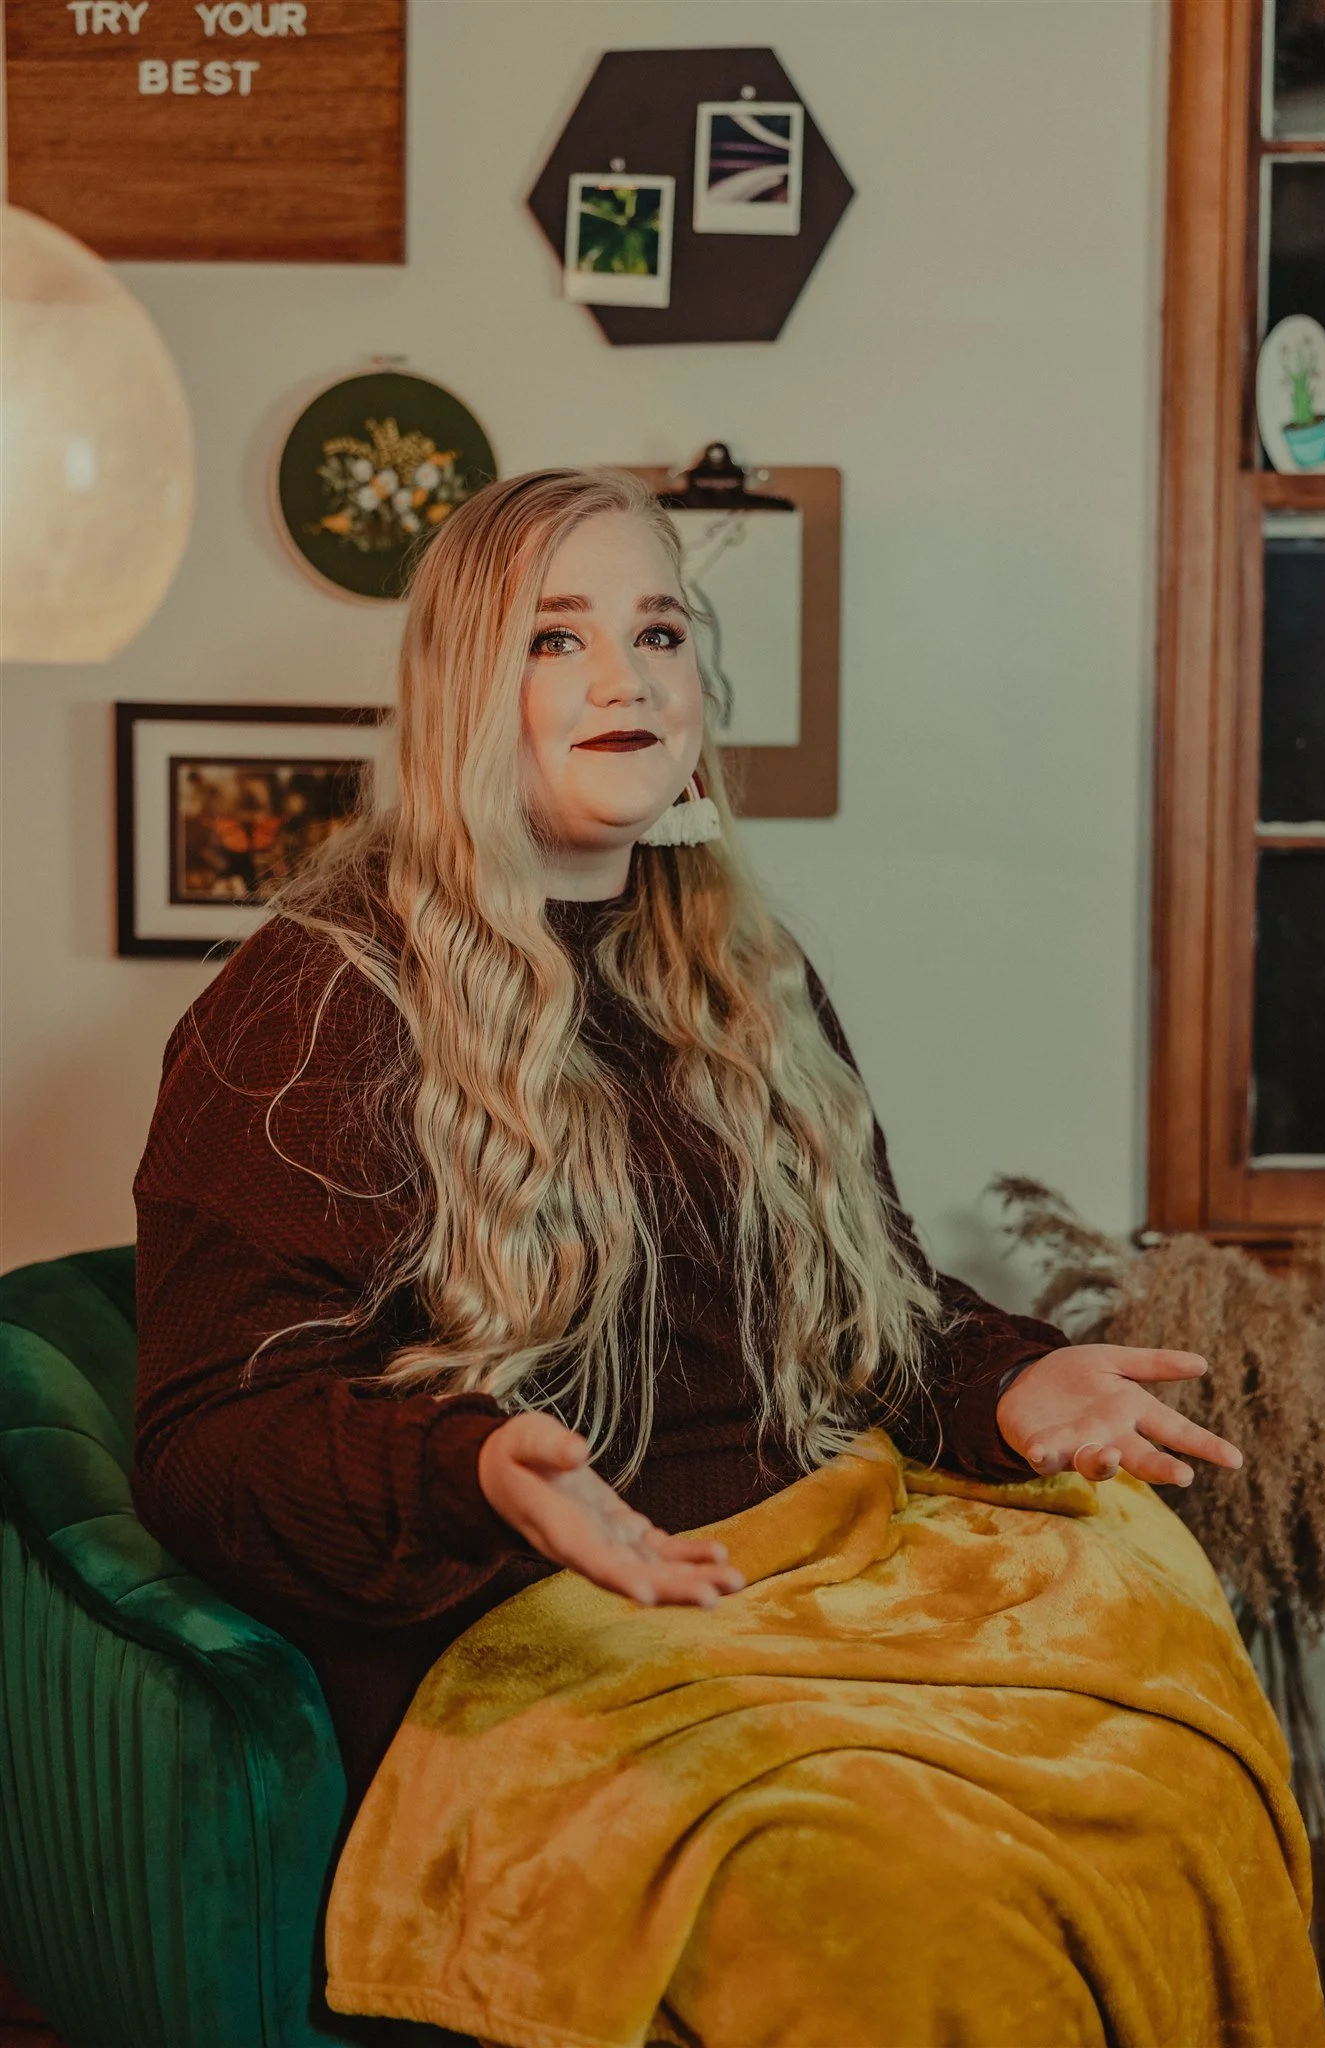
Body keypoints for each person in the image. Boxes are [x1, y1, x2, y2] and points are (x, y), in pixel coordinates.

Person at [131, 466, 1243, 1814]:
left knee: (1164, 1723)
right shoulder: (311, 1007)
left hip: (815, 1585)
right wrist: (473, 1469)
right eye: (557, 637)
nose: (629, 681)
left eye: (659, 632)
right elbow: (207, 1446)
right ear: (460, 691)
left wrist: (1005, 1389)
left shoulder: (742, 976)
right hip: (551, 1655)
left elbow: (868, 1318)